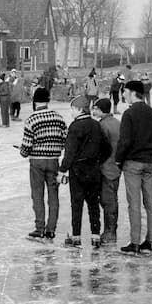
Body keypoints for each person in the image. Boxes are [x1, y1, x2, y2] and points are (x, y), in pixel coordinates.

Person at [116, 81, 152, 254]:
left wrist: (118, 160)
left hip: (133, 162)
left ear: (133, 93)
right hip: (149, 162)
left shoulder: (129, 113)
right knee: (151, 203)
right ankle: (150, 240)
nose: (123, 94)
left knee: (134, 203)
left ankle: (135, 242)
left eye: (125, 91)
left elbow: (125, 141)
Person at [59, 95, 110, 248]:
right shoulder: (96, 125)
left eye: (73, 109)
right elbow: (107, 148)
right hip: (93, 169)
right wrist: (97, 160)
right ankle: (95, 236)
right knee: (93, 204)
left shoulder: (75, 127)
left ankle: (76, 237)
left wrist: (62, 169)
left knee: (77, 203)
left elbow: (70, 152)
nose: (71, 112)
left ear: (80, 110)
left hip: (77, 170)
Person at [19, 87, 67, 240]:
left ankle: (39, 227)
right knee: (53, 195)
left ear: (34, 101)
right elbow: (65, 141)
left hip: (37, 162)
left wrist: (22, 151)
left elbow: (26, 147)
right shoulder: (59, 118)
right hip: (53, 161)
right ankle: (51, 229)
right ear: (48, 100)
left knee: (37, 195)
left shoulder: (31, 119)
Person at [93, 98, 121, 244]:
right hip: (116, 167)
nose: (93, 111)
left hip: (106, 167)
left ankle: (110, 232)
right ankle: (111, 230)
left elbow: (100, 148)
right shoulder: (117, 122)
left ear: (100, 109)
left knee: (108, 200)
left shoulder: (102, 125)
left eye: (95, 108)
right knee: (112, 199)